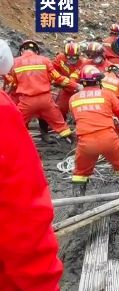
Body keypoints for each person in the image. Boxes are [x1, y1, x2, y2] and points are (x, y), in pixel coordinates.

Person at [0, 38, 64, 291]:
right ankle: (66, 138)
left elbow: (12, 84)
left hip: (25, 101)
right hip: (46, 99)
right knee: (58, 120)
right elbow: (23, 211)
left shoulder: (16, 66)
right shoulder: (2, 112)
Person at [69, 65, 119, 196]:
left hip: (86, 143)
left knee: (80, 173)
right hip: (108, 139)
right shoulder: (107, 95)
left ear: (82, 82)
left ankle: (77, 203)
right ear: (99, 82)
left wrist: (109, 117)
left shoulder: (73, 99)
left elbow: (84, 116)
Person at [11, 40, 75, 143]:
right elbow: (58, 78)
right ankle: (69, 140)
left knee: (15, 123)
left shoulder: (15, 62)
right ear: (36, 51)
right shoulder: (44, 60)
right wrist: (76, 85)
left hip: (27, 101)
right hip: (45, 100)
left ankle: (15, 143)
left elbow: (13, 82)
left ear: (22, 50)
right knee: (59, 123)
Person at [52, 42, 85, 120]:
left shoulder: (83, 63)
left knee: (81, 109)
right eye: (68, 56)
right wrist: (56, 79)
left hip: (79, 89)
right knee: (61, 108)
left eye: (74, 57)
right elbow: (52, 69)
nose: (71, 59)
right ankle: (62, 124)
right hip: (66, 88)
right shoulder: (60, 58)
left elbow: (76, 78)